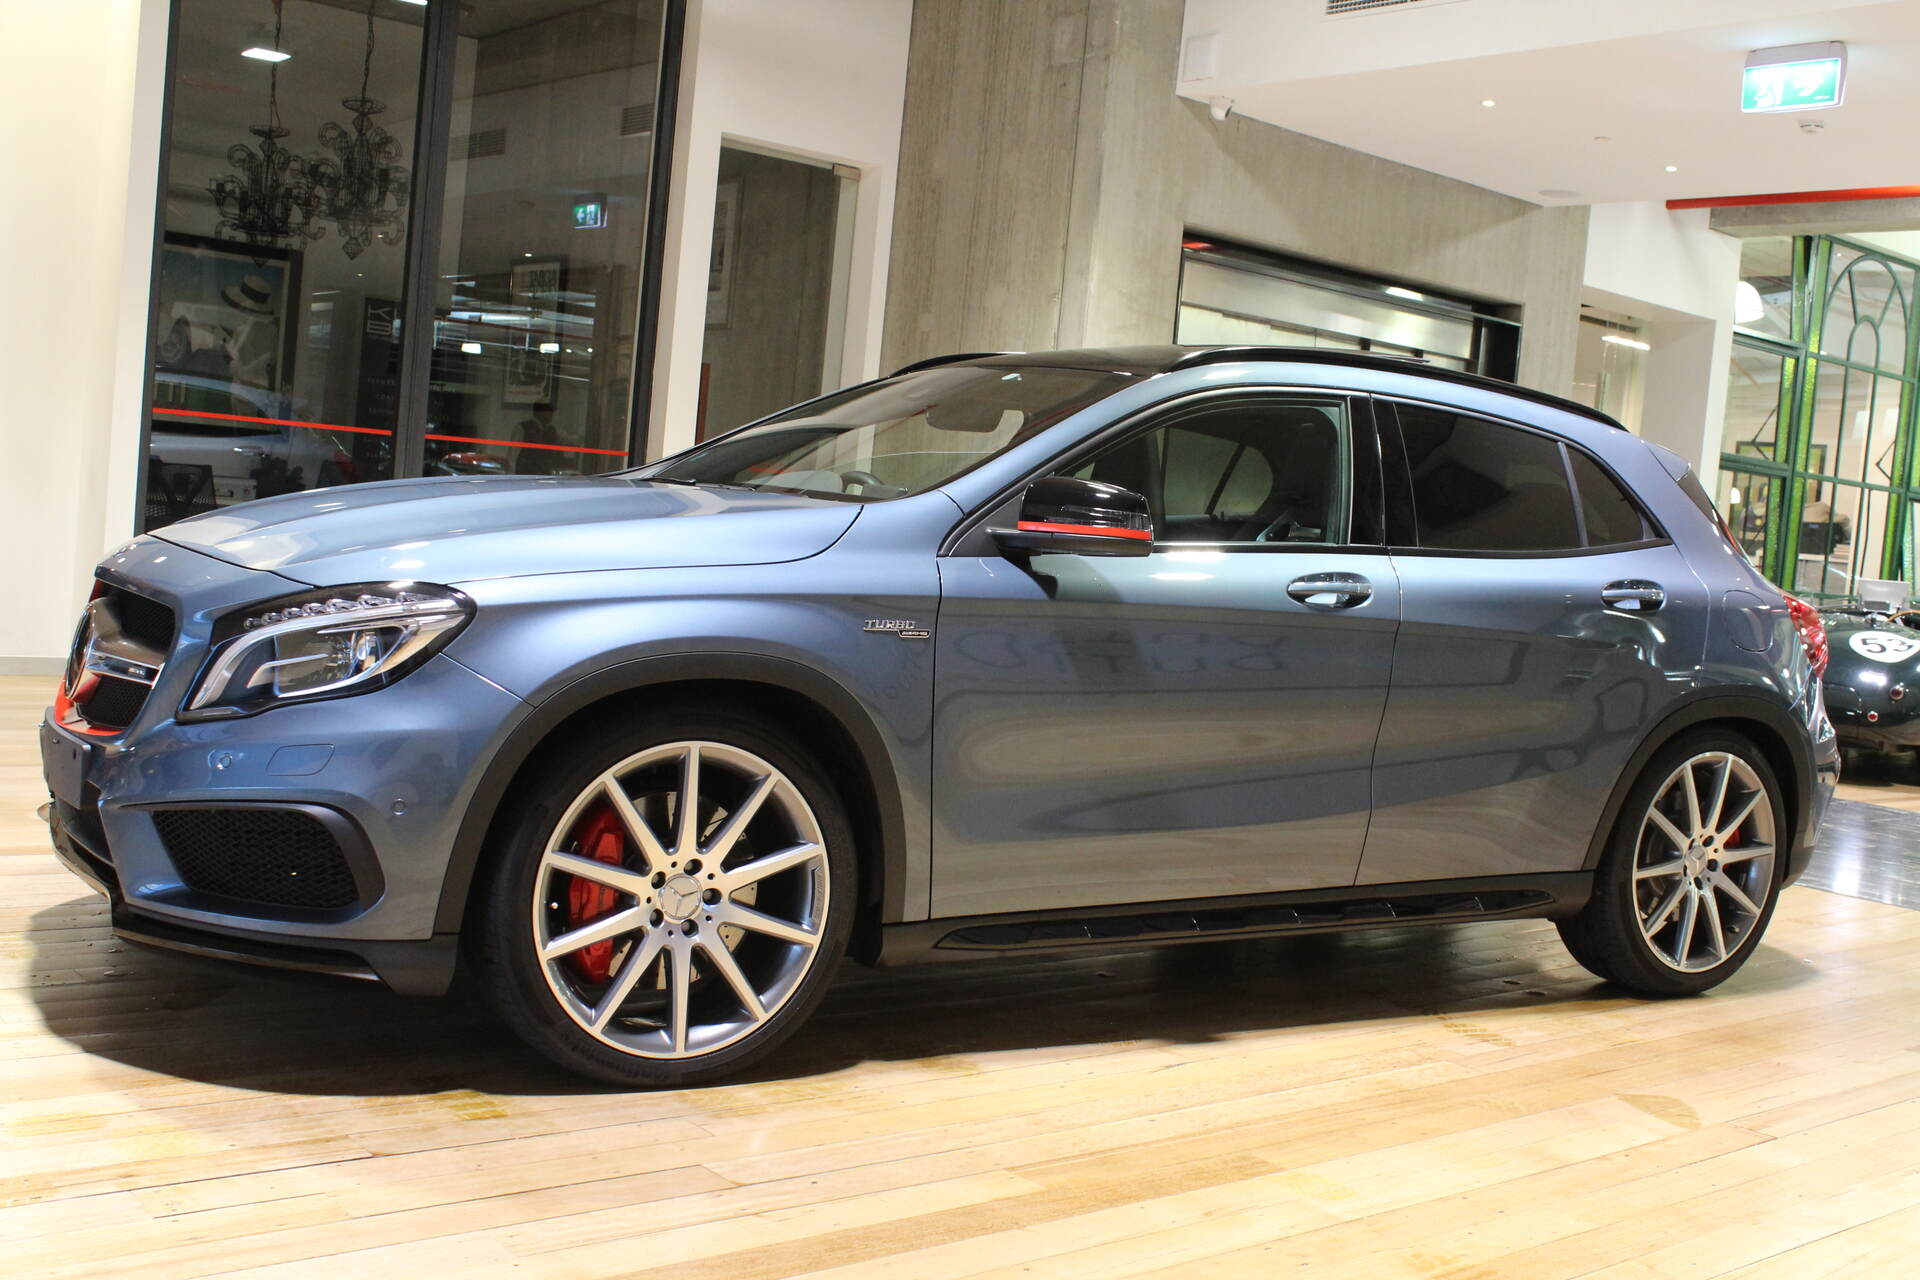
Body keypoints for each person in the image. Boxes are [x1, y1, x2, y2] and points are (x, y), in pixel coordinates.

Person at [516, 403, 561, 475]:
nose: (550, 414)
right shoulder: (523, 428)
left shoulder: (551, 431)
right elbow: (513, 454)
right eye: (547, 411)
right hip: (526, 475)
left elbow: (553, 455)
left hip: (545, 475)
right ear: (538, 412)